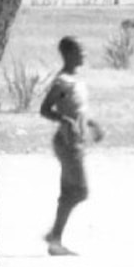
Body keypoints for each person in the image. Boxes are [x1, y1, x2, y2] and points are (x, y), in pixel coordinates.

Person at [39, 35, 103, 253]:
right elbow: (45, 109)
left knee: (69, 191)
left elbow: (78, 110)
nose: (83, 54)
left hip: (76, 141)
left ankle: (55, 239)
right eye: (79, 51)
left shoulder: (75, 80)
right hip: (67, 143)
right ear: (68, 54)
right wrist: (63, 120)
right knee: (80, 191)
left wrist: (93, 125)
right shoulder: (62, 82)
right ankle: (55, 235)